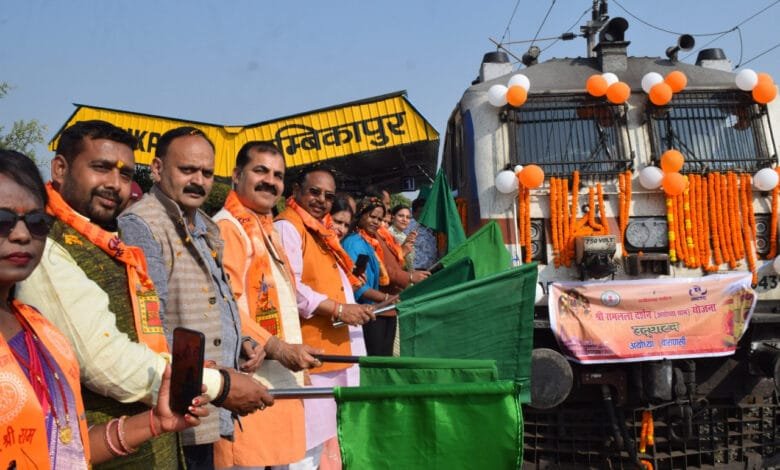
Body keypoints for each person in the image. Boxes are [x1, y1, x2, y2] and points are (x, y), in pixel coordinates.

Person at [16, 120, 262, 469]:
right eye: (101, 168)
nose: (114, 184)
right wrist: (215, 384)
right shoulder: (47, 244)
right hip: (105, 448)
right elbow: (104, 361)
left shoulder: (110, 239)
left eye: (125, 174)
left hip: (157, 433)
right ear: (60, 169)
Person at [0, 149, 209, 469]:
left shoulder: (38, 330)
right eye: (2, 220)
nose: (21, 234)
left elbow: (64, 448)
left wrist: (155, 422)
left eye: (37, 222)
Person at [118, 127, 274, 469]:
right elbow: (152, 323)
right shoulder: (142, 223)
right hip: (177, 406)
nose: (198, 181)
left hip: (208, 400)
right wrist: (219, 384)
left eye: (206, 173)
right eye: (187, 170)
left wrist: (241, 342)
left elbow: (215, 302)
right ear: (157, 168)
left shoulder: (203, 225)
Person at [212, 141, 322, 468]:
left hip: (276, 379)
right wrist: (277, 347)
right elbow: (224, 306)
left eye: (278, 175)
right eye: (260, 171)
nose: (270, 181)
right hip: (248, 379)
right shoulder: (228, 228)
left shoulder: (264, 225)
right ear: (236, 175)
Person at [275, 167, 373, 467]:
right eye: (314, 192)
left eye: (328, 196)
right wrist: (340, 309)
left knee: (318, 441)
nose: (321, 200)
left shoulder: (320, 230)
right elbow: (291, 288)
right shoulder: (288, 227)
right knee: (303, 446)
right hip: (310, 351)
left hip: (330, 349)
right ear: (296, 190)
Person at [342, 198, 429, 356]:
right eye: (372, 217)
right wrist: (387, 296)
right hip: (366, 310)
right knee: (375, 358)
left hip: (380, 307)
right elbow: (356, 285)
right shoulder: (354, 242)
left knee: (383, 356)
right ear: (360, 215)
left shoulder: (373, 239)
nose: (376, 222)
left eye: (380, 219)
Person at [408, 197, 439, 270]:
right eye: (421, 212)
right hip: (415, 270)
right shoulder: (407, 228)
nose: (425, 215)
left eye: (426, 212)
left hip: (431, 269)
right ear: (414, 213)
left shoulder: (430, 228)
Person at [388, 204, 416, 269]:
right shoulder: (387, 234)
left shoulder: (404, 235)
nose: (404, 220)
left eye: (408, 217)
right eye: (401, 216)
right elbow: (388, 261)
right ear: (393, 217)